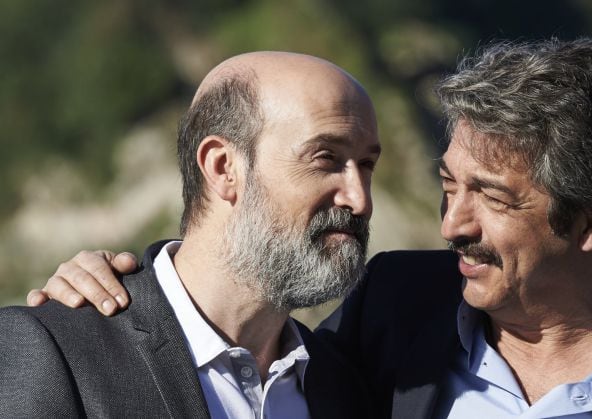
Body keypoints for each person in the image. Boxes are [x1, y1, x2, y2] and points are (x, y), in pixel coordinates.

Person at [28, 38, 592, 418]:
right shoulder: (394, 312)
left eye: (491, 197)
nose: (451, 223)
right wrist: (111, 294)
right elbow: (201, 332)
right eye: (447, 184)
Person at [2, 51, 379, 418]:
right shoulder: (57, 352)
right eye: (325, 159)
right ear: (222, 167)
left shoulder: (346, 387)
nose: (359, 199)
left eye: (366, 165)